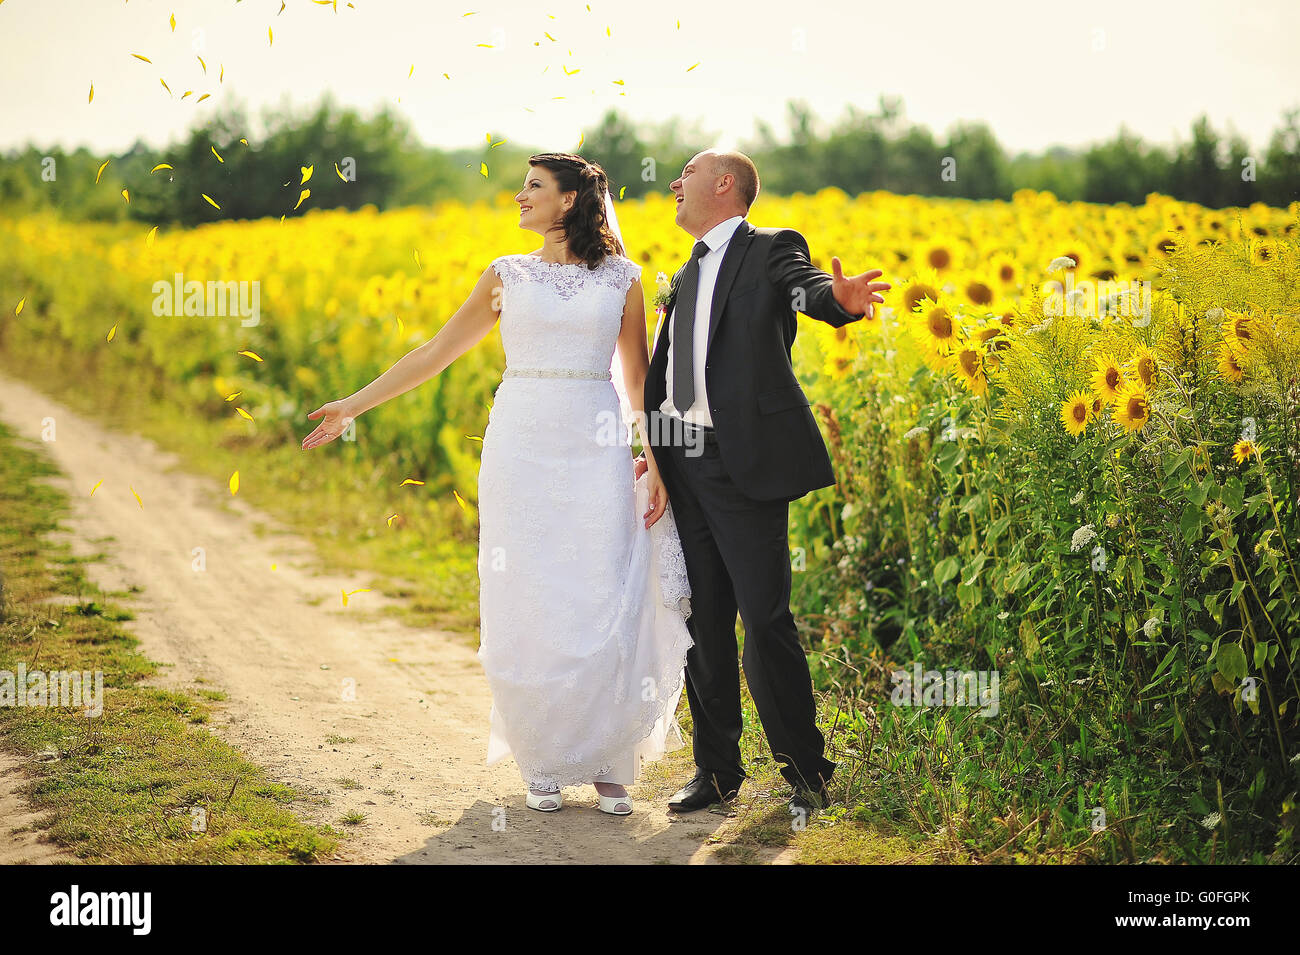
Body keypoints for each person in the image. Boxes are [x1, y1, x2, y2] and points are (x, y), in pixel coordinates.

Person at [302, 153, 693, 816]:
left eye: (534, 187)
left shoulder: (624, 281)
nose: (520, 196)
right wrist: (352, 406)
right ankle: (541, 757)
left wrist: (656, 462)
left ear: (570, 200)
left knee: (601, 587)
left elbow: (639, 383)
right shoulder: (505, 275)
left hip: (594, 444)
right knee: (531, 592)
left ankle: (607, 759)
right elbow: (434, 352)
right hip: (520, 446)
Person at [638, 148, 890, 816]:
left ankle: (805, 771)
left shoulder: (770, 248)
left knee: (765, 619)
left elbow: (806, 288)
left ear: (724, 184)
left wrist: (838, 299)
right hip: (683, 463)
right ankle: (717, 770)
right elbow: (665, 372)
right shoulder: (685, 272)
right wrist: (657, 455)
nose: (673, 183)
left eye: (685, 173)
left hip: (740, 463)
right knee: (703, 619)